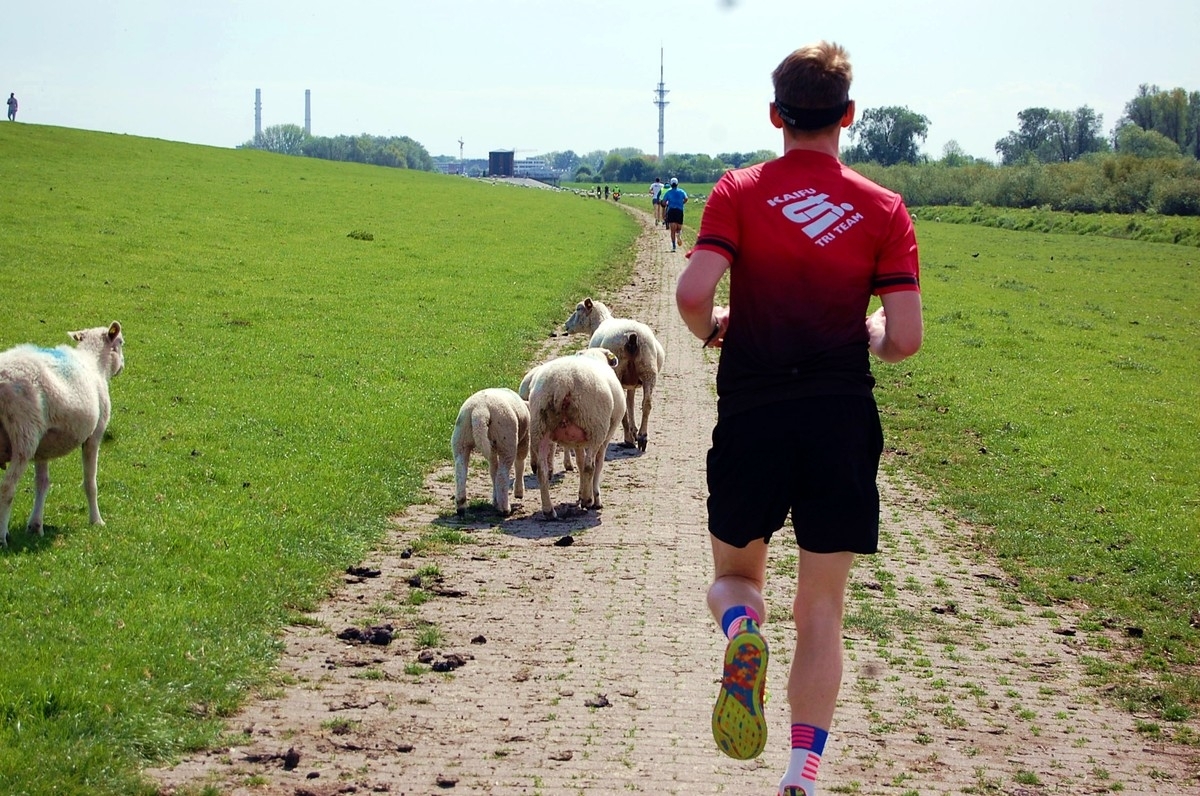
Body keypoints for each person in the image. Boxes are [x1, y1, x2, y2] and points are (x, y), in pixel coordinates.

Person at [675, 41, 923, 796]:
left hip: (754, 414)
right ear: (849, 115)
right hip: (840, 421)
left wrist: (714, 327)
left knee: (734, 579)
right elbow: (905, 339)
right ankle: (802, 776)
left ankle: (742, 633)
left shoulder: (738, 191)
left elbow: (693, 293)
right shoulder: (884, 209)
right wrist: (872, 331)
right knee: (821, 609)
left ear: (775, 115)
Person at [661, 177, 688, 251]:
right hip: (679, 211)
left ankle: (673, 246)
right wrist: (682, 203)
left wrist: (666, 204)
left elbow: (663, 202)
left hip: (671, 211)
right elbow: (686, 198)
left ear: (671, 184)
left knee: (672, 230)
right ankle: (678, 234)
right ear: (677, 184)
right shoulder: (681, 191)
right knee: (679, 227)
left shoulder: (668, 192)